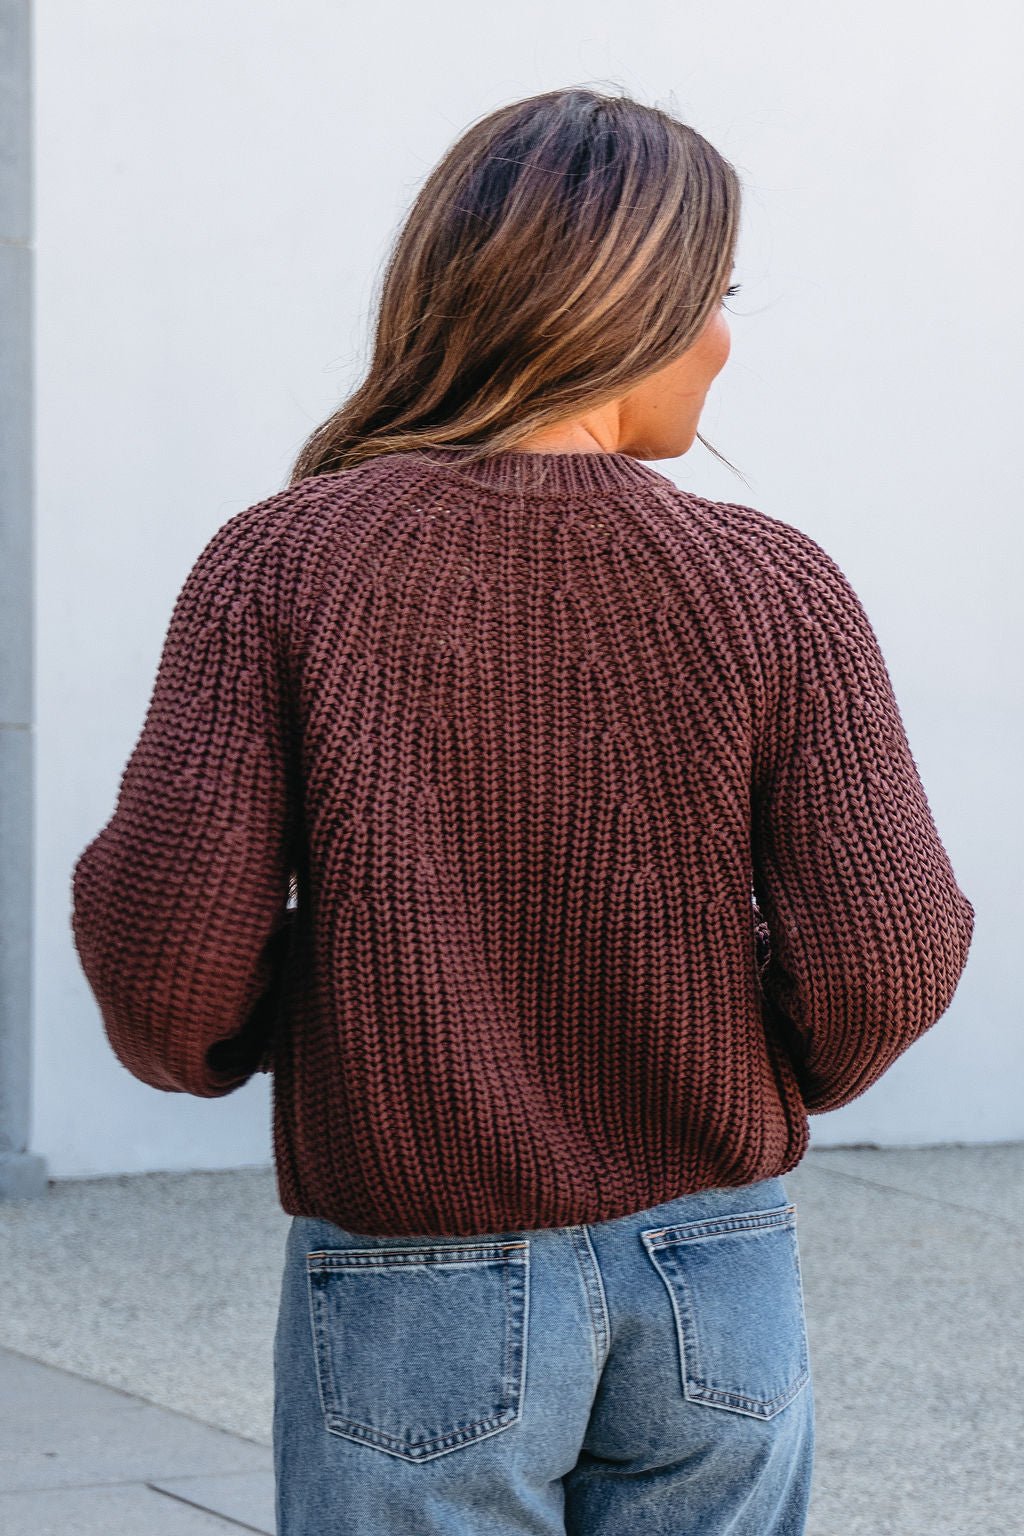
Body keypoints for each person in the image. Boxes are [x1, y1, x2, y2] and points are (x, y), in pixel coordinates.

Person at [70, 86, 975, 1535]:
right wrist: (735, 1065)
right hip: (716, 1267)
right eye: (715, 297)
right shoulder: (773, 586)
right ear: (626, 308)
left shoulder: (283, 566)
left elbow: (168, 961)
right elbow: (892, 952)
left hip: (416, 1272)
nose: (723, 340)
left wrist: (325, 1024)